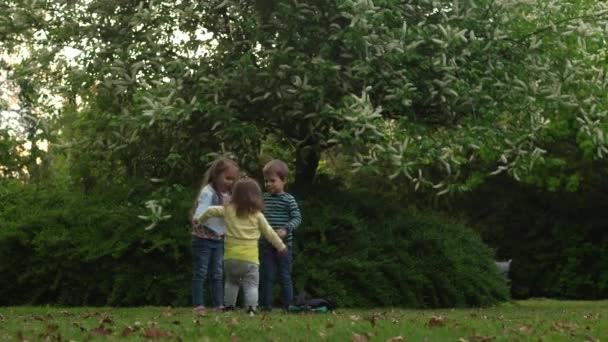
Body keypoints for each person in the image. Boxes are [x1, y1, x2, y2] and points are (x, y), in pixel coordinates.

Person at [196, 178, 287, 315]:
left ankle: (229, 307)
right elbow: (269, 233)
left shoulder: (228, 210)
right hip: (250, 259)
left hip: (230, 258)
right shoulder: (257, 215)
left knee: (231, 282)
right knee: (251, 285)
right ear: (256, 196)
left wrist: (199, 221)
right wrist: (281, 247)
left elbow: (210, 211)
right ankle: (251, 308)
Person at [190, 158, 238, 314]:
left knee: (217, 273)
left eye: (232, 179)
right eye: (227, 178)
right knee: (201, 272)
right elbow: (200, 215)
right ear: (216, 175)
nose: (230, 182)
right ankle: (198, 304)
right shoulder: (208, 192)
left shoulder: (229, 194)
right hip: (202, 239)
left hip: (218, 239)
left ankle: (219, 304)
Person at [259, 159, 302, 311]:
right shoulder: (263, 198)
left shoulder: (288, 199)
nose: (268, 184)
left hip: (285, 246)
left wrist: (286, 229)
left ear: (284, 181)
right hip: (267, 244)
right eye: (266, 181)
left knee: (285, 276)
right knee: (267, 275)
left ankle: (288, 305)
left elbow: (297, 218)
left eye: (272, 181)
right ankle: (265, 305)